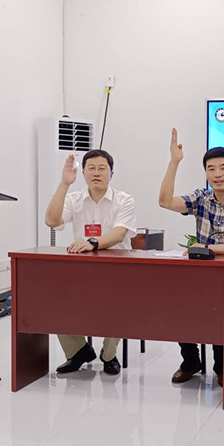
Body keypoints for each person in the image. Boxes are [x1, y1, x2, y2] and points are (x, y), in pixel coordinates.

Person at [158, 128, 224, 385]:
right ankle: (190, 361)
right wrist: (174, 162)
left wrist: (211, 249)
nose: (217, 174)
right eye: (211, 169)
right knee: (180, 308)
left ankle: (222, 366)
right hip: (203, 273)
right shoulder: (201, 198)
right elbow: (165, 201)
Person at [45, 149, 136, 375]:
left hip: (118, 269)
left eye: (102, 168)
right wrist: (64, 184)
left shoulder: (124, 200)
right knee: (53, 298)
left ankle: (109, 355)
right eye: (91, 169)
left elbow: (119, 235)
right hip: (82, 269)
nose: (96, 173)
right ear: (83, 173)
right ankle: (78, 351)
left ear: (111, 174)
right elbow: (52, 220)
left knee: (121, 302)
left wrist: (92, 243)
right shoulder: (73, 199)